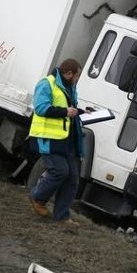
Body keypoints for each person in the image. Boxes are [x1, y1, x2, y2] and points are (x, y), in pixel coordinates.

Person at [28, 58, 84, 223]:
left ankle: (61, 216)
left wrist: (80, 111)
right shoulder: (47, 84)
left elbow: (68, 110)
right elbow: (41, 108)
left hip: (67, 141)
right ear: (68, 73)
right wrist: (65, 112)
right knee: (60, 171)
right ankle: (37, 198)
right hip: (50, 139)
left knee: (72, 178)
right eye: (77, 76)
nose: (78, 79)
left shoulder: (70, 87)